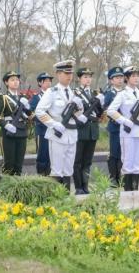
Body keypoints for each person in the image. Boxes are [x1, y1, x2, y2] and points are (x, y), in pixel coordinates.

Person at [35, 60, 85, 191]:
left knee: (68, 169)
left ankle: (66, 199)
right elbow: (39, 111)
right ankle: (56, 201)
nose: (69, 76)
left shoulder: (75, 92)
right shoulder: (52, 92)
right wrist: (53, 124)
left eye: (71, 73)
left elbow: (78, 114)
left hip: (72, 135)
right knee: (57, 170)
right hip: (57, 135)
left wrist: (80, 108)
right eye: (66, 73)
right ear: (58, 74)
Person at [107, 66, 139, 191]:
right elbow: (110, 110)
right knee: (127, 163)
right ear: (127, 78)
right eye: (133, 76)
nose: (136, 78)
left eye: (138, 75)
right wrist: (124, 121)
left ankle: (135, 191)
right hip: (128, 133)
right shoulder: (122, 94)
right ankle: (127, 193)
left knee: (137, 164)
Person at [0, 71, 31, 176]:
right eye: (12, 80)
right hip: (8, 134)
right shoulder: (3, 98)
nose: (15, 82)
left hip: (22, 132)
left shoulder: (22, 98)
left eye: (17, 80)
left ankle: (17, 190)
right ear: (6, 82)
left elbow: (31, 116)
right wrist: (6, 125)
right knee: (8, 164)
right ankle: (7, 190)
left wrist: (28, 107)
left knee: (19, 165)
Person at [72, 67, 103, 195]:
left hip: (92, 130)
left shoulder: (95, 94)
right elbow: (72, 112)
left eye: (89, 77)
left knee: (88, 161)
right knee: (78, 160)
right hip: (81, 130)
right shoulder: (74, 93)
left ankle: (86, 186)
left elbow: (100, 114)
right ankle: (78, 187)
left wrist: (101, 103)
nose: (88, 79)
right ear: (79, 79)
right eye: (85, 77)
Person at [103, 66, 125, 187]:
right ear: (111, 80)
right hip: (115, 127)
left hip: (126, 128)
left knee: (123, 153)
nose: (119, 80)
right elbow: (107, 110)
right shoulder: (109, 94)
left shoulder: (126, 93)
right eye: (116, 78)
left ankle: (122, 178)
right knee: (114, 153)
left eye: (121, 77)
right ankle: (114, 179)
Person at [30, 72, 53, 175]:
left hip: (53, 130)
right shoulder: (36, 97)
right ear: (40, 83)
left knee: (51, 155)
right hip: (42, 130)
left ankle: (50, 177)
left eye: (49, 81)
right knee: (42, 155)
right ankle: (41, 177)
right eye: (46, 81)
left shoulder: (53, 95)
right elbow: (32, 114)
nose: (48, 83)